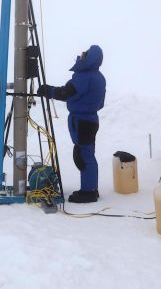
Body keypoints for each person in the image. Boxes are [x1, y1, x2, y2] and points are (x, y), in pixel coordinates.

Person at [37, 45, 106, 203]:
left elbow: (66, 93)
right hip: (90, 119)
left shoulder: (85, 77)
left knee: (83, 155)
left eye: (85, 54)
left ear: (90, 58)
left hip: (82, 120)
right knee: (87, 154)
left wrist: (48, 91)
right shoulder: (98, 77)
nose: (81, 56)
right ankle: (90, 189)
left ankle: (88, 192)